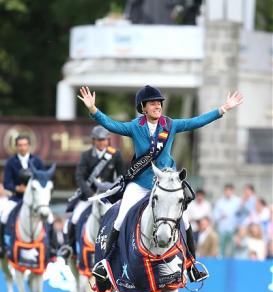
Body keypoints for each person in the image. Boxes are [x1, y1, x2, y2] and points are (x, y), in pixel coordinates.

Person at [78, 85, 243, 280]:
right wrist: (93, 110)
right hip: (141, 182)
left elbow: (195, 122)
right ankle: (105, 263)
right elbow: (112, 125)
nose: (158, 106)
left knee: (186, 219)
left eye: (159, 103)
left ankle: (192, 264)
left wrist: (222, 109)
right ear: (144, 107)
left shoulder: (170, 124)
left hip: (166, 183)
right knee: (121, 217)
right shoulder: (134, 126)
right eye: (153, 103)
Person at [58, 125, 124, 259]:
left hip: (108, 196)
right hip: (90, 196)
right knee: (74, 218)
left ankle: (122, 247)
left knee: (123, 218)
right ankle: (69, 247)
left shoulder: (115, 155)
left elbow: (122, 176)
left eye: (104, 140)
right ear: (94, 141)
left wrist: (114, 190)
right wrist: (91, 194)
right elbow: (79, 177)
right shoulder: (86, 156)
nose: (102, 143)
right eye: (99, 140)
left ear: (108, 140)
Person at [0, 135, 57, 258]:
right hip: (17, 198)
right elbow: (7, 183)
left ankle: (53, 248)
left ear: (29, 146)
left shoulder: (37, 161)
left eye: (25, 145)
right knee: (4, 215)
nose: (22, 147)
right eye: (20, 145)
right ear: (16, 146)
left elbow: (44, 179)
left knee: (50, 218)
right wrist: (17, 188)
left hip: (35, 200)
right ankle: (2, 246)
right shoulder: (11, 162)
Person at [212, 183, 240, 257]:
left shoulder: (237, 201)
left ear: (232, 191)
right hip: (222, 229)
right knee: (221, 247)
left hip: (233, 229)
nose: (228, 192)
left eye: (229, 191)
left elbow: (240, 215)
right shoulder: (220, 202)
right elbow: (214, 215)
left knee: (233, 248)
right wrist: (220, 216)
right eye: (226, 191)